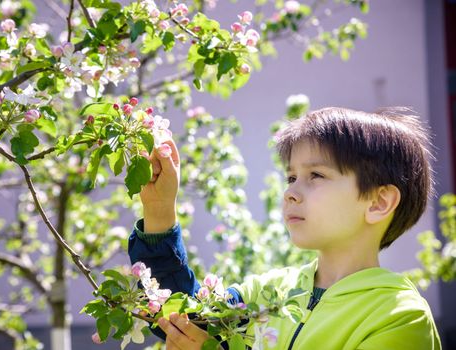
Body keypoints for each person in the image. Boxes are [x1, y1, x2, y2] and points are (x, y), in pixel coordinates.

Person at [128, 107, 442, 349]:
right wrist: (159, 210)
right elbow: (183, 320)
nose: (289, 192)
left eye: (316, 175)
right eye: (291, 177)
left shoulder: (398, 316)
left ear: (378, 202)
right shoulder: (268, 292)